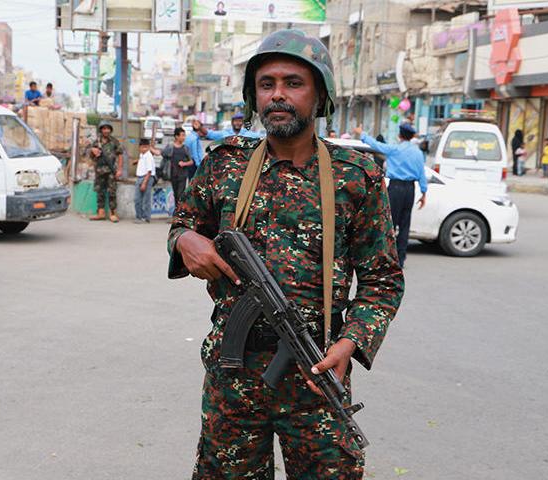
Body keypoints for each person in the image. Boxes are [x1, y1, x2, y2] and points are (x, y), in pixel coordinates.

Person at [168, 29, 404, 479]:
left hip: (318, 372)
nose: (278, 95)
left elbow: (382, 281)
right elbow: (183, 225)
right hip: (232, 377)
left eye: (293, 83)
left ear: (319, 94)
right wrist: (185, 241)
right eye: (267, 84)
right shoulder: (224, 165)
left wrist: (349, 344)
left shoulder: (358, 176)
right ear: (254, 95)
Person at [354, 123, 427, 268]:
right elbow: (422, 175)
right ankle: (401, 258)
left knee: (390, 223)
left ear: (400, 136)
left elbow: (376, 145)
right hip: (410, 190)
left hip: (395, 187)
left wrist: (362, 134)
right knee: (405, 224)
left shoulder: (395, 149)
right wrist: (424, 193)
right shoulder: (418, 153)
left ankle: (388, 257)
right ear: (412, 137)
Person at [89, 121, 124, 222]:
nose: (106, 130)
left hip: (111, 171)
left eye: (108, 128)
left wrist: (119, 170)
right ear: (101, 130)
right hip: (99, 171)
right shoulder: (96, 142)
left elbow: (120, 155)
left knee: (112, 192)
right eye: (104, 128)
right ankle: (100, 213)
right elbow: (90, 156)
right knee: (100, 192)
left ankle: (113, 213)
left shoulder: (114, 142)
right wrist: (92, 151)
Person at [162, 127, 194, 206]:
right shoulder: (170, 147)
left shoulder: (185, 148)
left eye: (184, 135)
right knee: (176, 194)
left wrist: (184, 163)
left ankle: (179, 214)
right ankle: (177, 212)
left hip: (182, 175)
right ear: (176, 136)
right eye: (182, 135)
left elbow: (191, 161)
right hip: (173, 175)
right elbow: (162, 154)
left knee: (180, 195)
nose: (184, 137)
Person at [133, 138, 160, 223]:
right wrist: (137, 161)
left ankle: (145, 217)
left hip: (147, 178)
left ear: (148, 147)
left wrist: (144, 183)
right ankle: (139, 216)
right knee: (137, 199)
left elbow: (149, 171)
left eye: (145, 147)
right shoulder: (142, 155)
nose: (143, 149)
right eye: (142, 147)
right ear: (139, 147)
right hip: (140, 177)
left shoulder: (148, 156)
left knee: (145, 199)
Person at [200, 112, 264, 140]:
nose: (238, 123)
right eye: (236, 121)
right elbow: (209, 134)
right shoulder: (224, 133)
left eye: (240, 121)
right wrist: (199, 127)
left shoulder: (248, 134)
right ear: (232, 122)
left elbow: (262, 137)